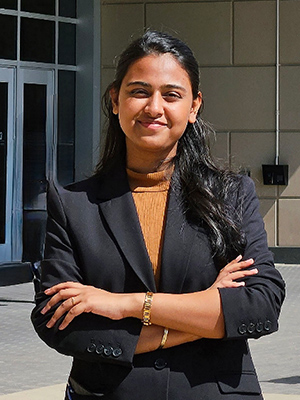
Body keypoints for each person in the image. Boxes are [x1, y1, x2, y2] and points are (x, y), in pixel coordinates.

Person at [31, 31, 285, 400]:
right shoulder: (73, 204)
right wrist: (206, 313)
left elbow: (260, 304)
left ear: (194, 106)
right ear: (115, 99)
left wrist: (127, 304)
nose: (154, 107)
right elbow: (61, 324)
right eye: (138, 91)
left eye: (171, 94)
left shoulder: (230, 194)